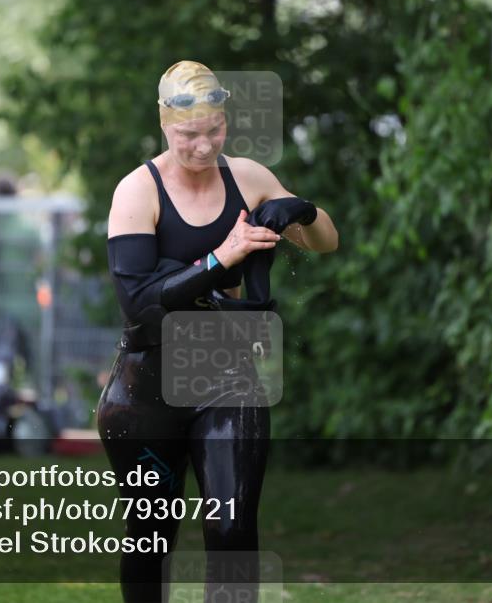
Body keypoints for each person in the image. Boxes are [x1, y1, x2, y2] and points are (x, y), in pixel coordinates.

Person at [98, 61, 338, 602]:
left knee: (231, 531)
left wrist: (304, 211)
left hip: (228, 382)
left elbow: (325, 242)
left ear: (225, 123)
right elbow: (138, 305)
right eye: (188, 135)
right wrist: (221, 257)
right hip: (146, 390)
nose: (203, 146)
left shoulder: (248, 178)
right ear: (165, 126)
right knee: (150, 538)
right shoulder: (139, 191)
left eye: (214, 131)